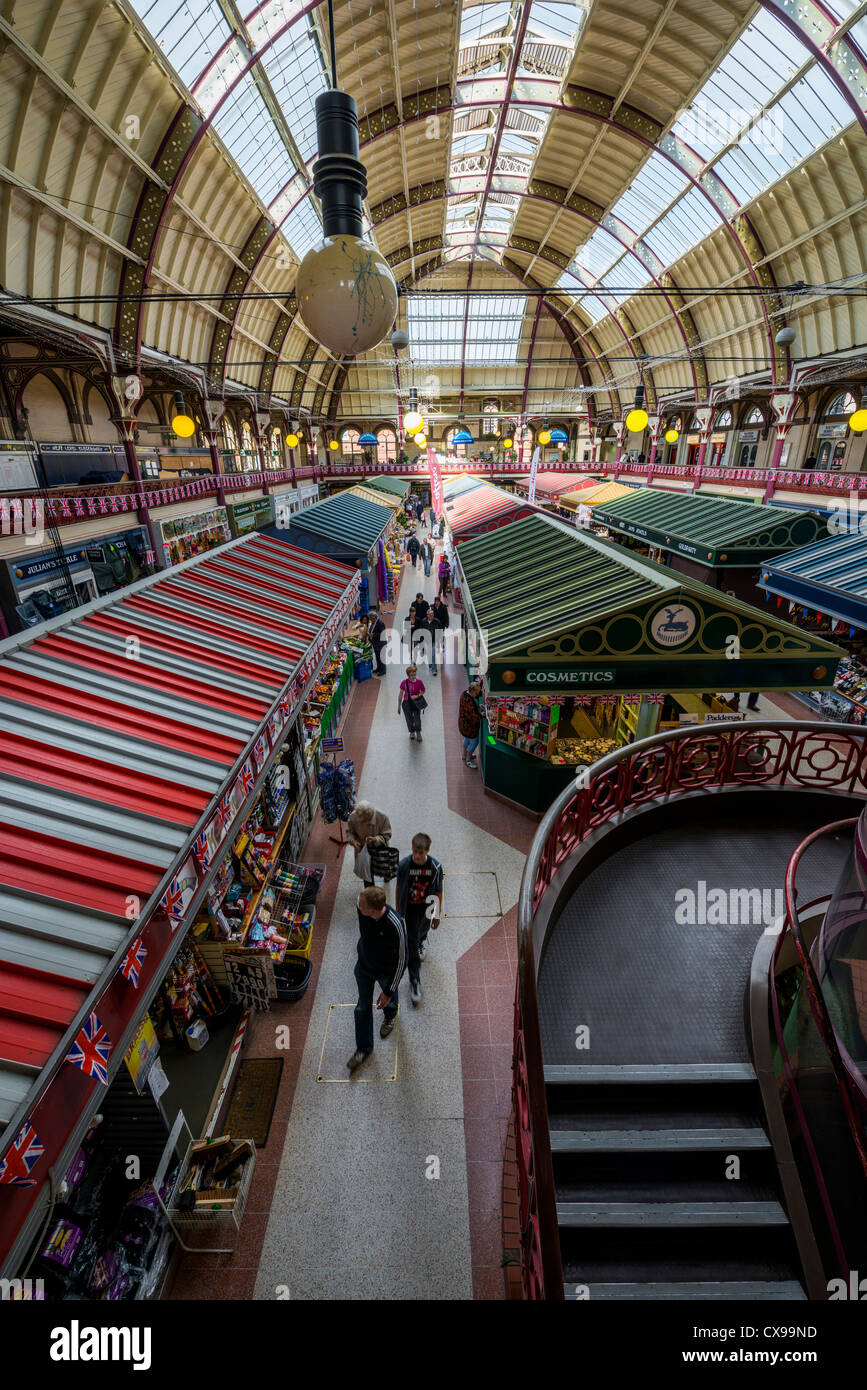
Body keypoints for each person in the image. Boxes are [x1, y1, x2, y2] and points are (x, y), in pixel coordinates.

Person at [347, 886, 408, 1072]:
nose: (358, 906)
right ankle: (364, 1048)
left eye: (362, 905)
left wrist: (388, 991)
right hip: (364, 966)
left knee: (388, 1001)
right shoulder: (361, 908)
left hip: (385, 970)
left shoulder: (395, 924)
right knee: (362, 1006)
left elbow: (403, 959)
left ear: (373, 910)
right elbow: (360, 904)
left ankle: (390, 1016)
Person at [396, 834, 443, 1006]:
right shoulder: (404, 866)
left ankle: (422, 940)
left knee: (423, 931)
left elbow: (438, 891)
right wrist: (398, 907)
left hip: (427, 906)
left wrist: (436, 914)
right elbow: (399, 886)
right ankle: (414, 981)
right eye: (415, 851)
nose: (417, 855)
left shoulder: (435, 867)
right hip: (411, 908)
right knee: (412, 943)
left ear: (427, 851)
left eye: (421, 852)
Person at [347, 801, 392, 886]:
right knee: (367, 874)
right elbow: (349, 832)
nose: (363, 822)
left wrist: (375, 839)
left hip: (379, 846)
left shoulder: (383, 817)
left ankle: (387, 876)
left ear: (371, 815)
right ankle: (370, 892)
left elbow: (387, 834)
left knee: (384, 866)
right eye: (361, 820)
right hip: (362, 848)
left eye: (365, 820)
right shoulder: (354, 816)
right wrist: (353, 841)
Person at [459, 680, 483, 768]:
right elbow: (472, 716)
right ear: (472, 691)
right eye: (476, 693)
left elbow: (473, 703)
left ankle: (464, 755)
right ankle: (468, 760)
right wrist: (481, 715)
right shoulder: (468, 701)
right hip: (469, 726)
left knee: (466, 739)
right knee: (474, 742)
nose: (477, 695)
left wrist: (478, 706)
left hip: (463, 724)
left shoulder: (464, 693)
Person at [398, 663, 426, 741]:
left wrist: (417, 696)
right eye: (412, 675)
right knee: (409, 719)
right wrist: (399, 706)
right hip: (406, 703)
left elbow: (423, 691)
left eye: (414, 674)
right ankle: (412, 732)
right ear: (408, 675)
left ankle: (418, 732)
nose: (414, 676)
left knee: (417, 719)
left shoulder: (419, 682)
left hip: (416, 703)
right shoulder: (404, 682)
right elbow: (400, 694)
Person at [368, 606, 387, 676]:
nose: (370, 620)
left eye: (370, 619)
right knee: (377, 657)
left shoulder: (380, 623)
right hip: (376, 643)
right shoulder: (373, 623)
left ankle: (383, 670)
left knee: (381, 657)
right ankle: (378, 668)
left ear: (374, 618)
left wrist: (373, 635)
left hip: (381, 643)